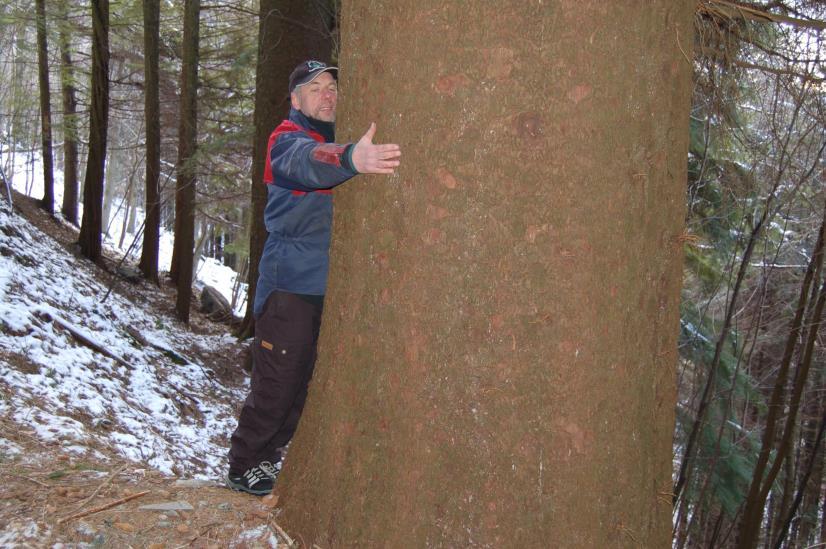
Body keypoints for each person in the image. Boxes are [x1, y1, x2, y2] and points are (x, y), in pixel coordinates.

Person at [226, 60, 401, 495]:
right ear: (296, 99)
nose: (328, 94)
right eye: (314, 87)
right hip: (289, 289)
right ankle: (243, 463)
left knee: (303, 387)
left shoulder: (336, 138)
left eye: (332, 86)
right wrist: (351, 158)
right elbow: (307, 163)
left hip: (325, 290)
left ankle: (266, 461)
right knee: (277, 384)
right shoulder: (287, 139)